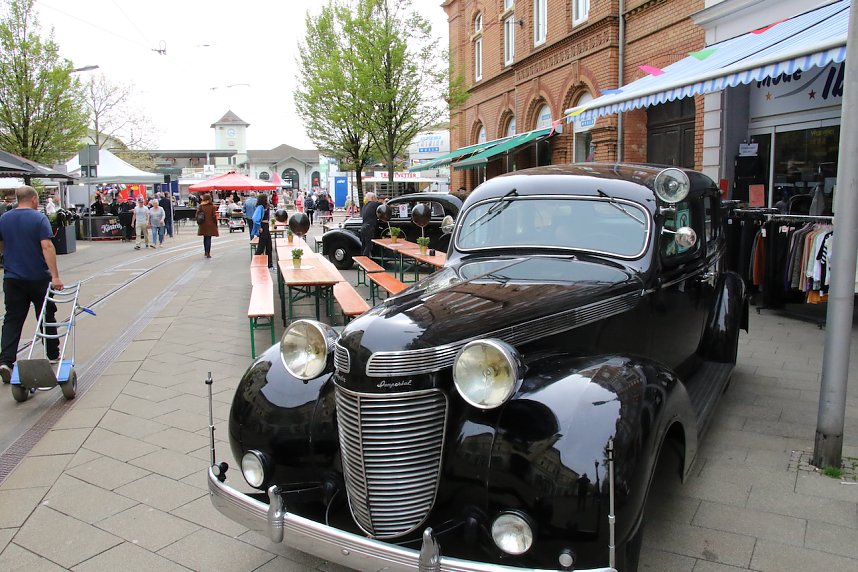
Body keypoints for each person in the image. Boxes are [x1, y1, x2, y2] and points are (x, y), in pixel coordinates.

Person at [0, 186, 63, 384]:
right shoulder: (39, 218)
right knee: (45, 314)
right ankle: (52, 353)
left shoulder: (4, 219)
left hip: (12, 278)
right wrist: (55, 276)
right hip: (37, 277)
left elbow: (1, 244)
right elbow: (47, 246)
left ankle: (6, 361)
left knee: (12, 319)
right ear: (34, 199)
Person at [253, 194, 273, 268]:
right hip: (263, 227)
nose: (267, 199)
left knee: (269, 246)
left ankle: (270, 264)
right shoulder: (260, 207)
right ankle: (255, 262)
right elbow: (255, 218)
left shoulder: (266, 206)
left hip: (266, 226)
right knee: (261, 247)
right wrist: (259, 227)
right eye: (266, 198)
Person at [197, 193, 219, 258]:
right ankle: (208, 252)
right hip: (210, 224)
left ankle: (205, 251)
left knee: (205, 238)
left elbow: (197, 215)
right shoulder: (213, 206)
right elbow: (214, 216)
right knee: (209, 238)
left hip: (203, 224)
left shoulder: (201, 206)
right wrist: (216, 223)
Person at [360, 191, 382, 257]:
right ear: (372, 198)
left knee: (364, 246)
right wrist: (386, 202)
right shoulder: (374, 204)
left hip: (363, 227)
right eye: (375, 198)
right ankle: (364, 260)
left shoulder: (364, 206)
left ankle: (362, 260)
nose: (376, 199)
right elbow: (382, 206)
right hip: (370, 227)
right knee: (369, 246)